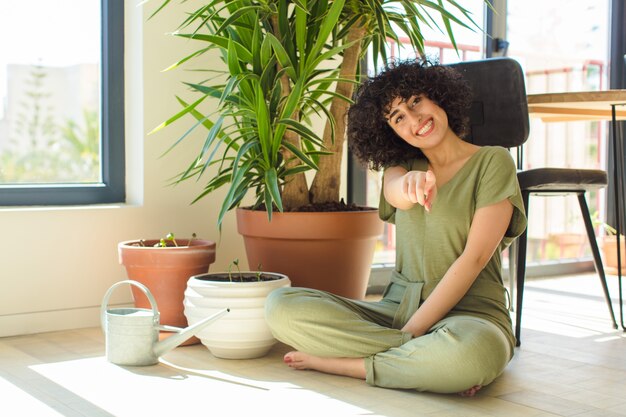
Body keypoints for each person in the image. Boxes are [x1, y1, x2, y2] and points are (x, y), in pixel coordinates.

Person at [264, 58, 527, 396]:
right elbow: (396, 192)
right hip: (398, 309)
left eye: (416, 100)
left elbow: (474, 259)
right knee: (280, 307)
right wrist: (410, 184)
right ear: (389, 130)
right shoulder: (400, 166)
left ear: (437, 96)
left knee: (468, 354)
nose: (414, 119)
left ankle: (350, 365)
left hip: (472, 314)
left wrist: (414, 332)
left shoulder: (494, 161)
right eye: (398, 117)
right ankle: (421, 364)